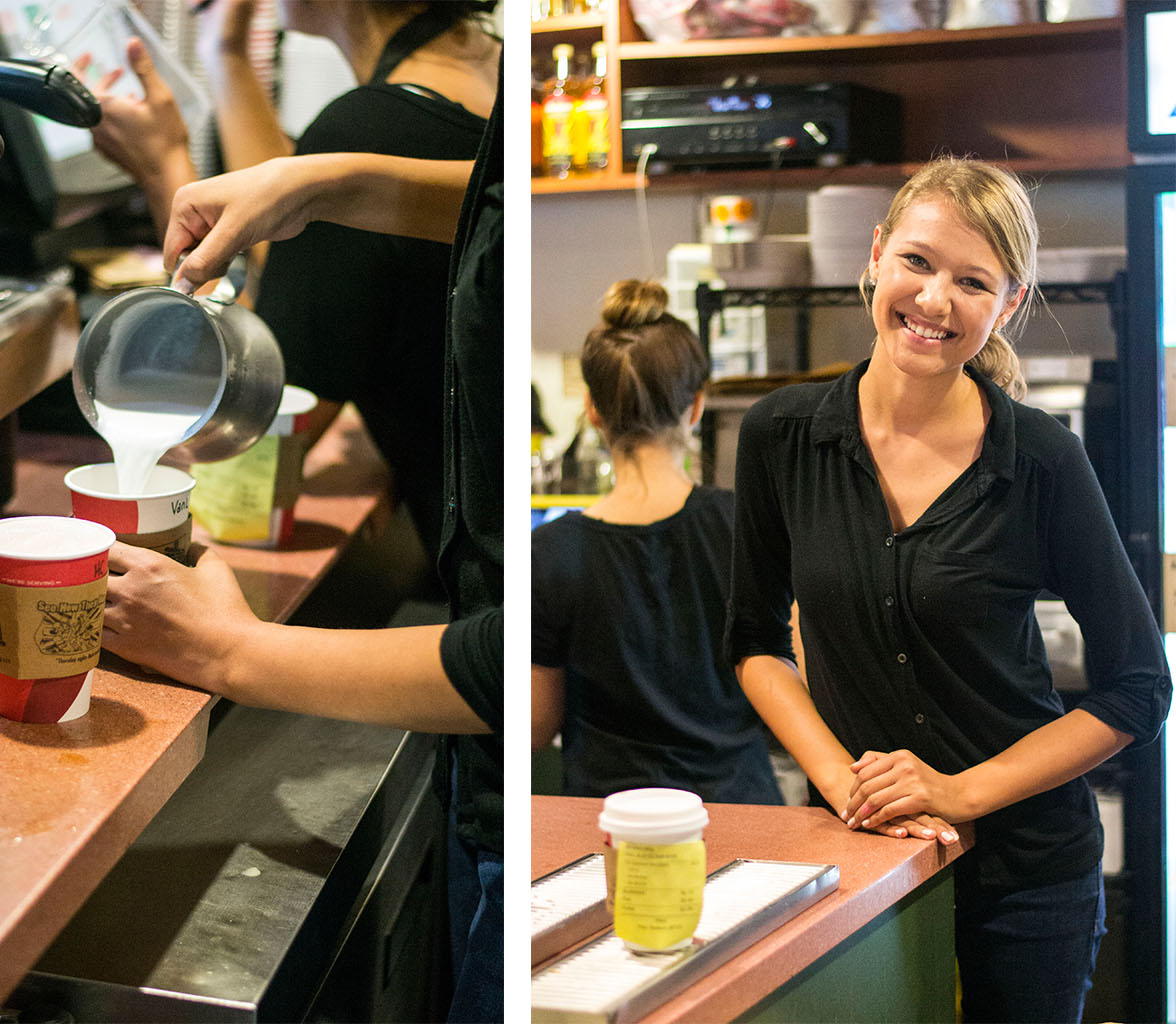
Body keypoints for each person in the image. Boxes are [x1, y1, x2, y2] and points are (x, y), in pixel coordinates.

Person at [724, 156, 1170, 1023]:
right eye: (919, 263)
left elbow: (1139, 687)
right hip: (863, 860)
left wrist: (959, 791)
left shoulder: (1040, 458)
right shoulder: (782, 435)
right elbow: (753, 640)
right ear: (878, 254)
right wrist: (849, 784)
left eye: (973, 282)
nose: (934, 301)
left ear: (1006, 304)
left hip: (1029, 879)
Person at [100, 71, 503, 1022]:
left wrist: (229, 650)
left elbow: (507, 667)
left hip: (488, 782)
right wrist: (324, 183)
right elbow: (494, 196)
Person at [87, 0, 500, 558]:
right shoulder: (487, 72)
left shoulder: (375, 126)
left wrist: (163, 168)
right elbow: (305, 235)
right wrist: (225, 50)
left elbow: (253, 430)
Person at [532, 279, 784, 806]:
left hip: (612, 827)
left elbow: (535, 726)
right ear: (696, 407)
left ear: (593, 411)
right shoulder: (744, 523)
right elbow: (792, 680)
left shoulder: (550, 551)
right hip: (745, 813)